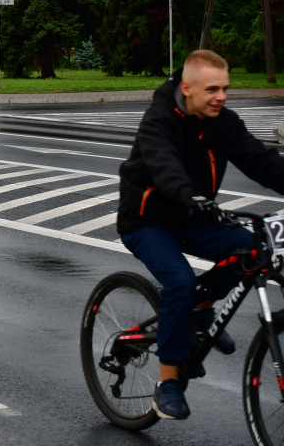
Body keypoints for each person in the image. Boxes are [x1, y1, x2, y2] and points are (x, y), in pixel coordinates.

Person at [118, 49, 284, 421]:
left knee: (250, 248)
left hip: (195, 215)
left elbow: (262, 162)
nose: (221, 97)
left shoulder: (223, 122)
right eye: (212, 89)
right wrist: (189, 195)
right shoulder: (158, 120)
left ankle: (197, 313)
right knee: (179, 282)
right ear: (188, 88)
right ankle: (168, 383)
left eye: (225, 88)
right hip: (148, 221)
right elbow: (164, 166)